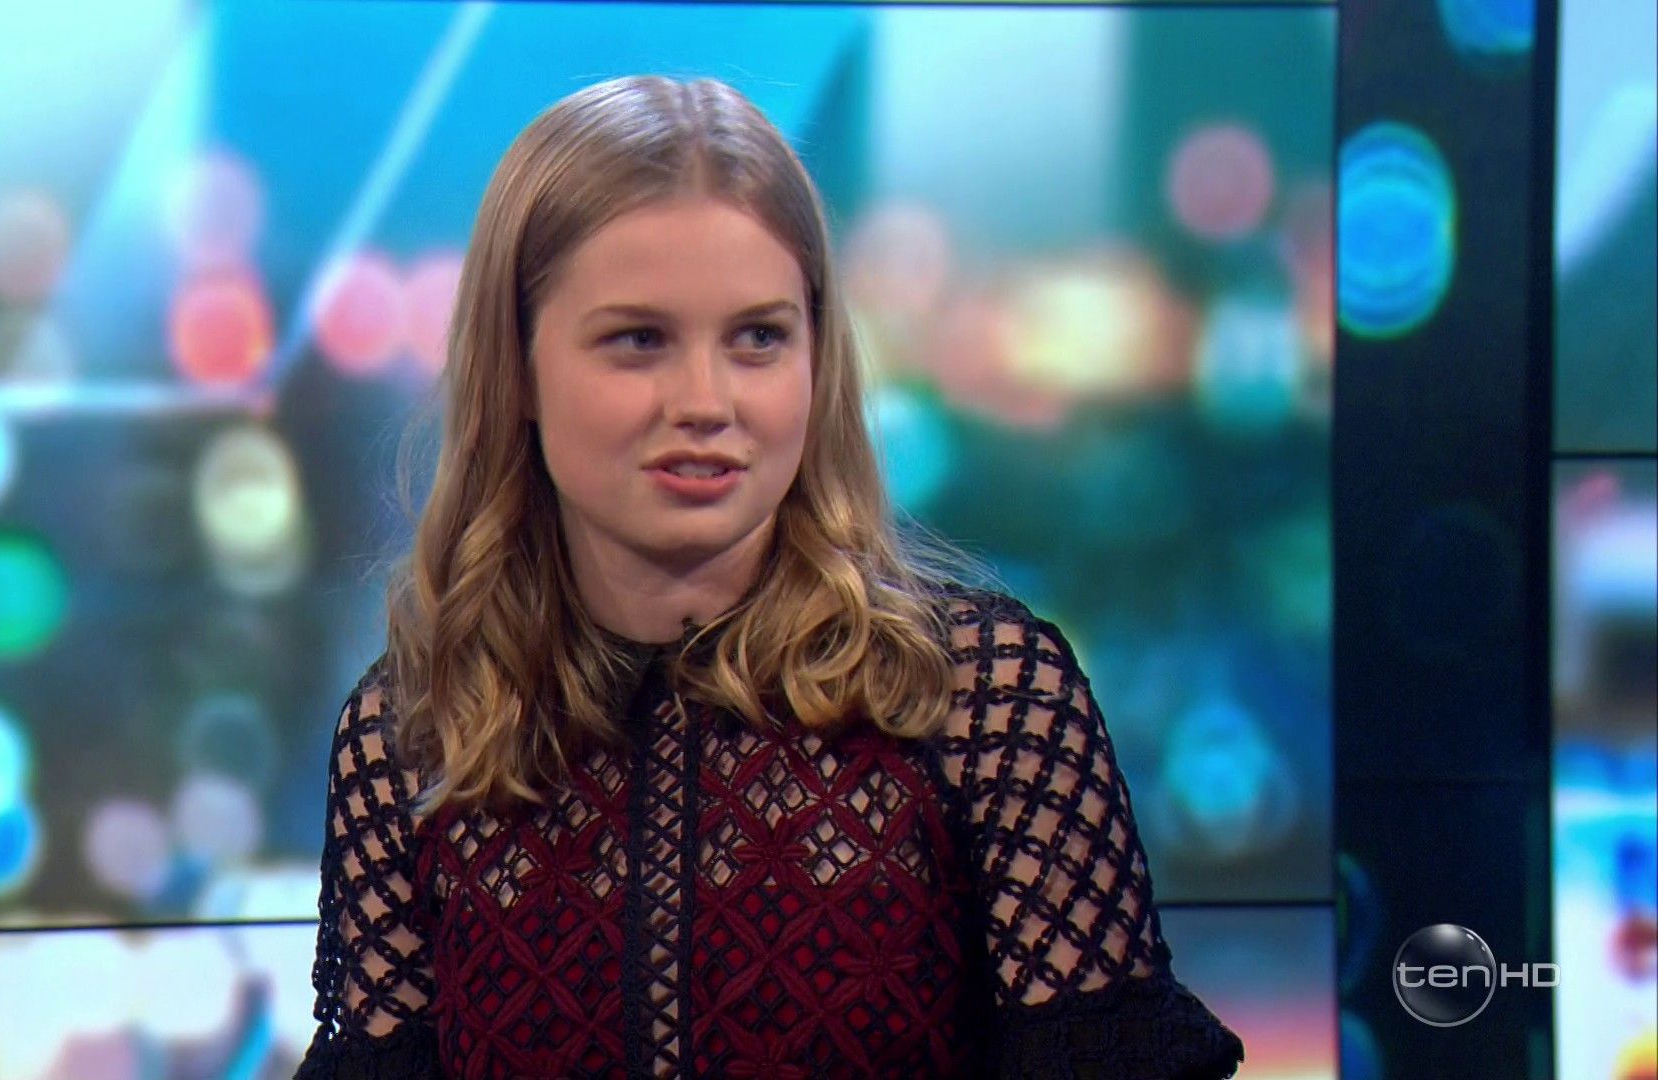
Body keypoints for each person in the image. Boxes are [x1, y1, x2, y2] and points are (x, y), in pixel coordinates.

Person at [295, 74, 1245, 1079]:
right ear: (517, 366)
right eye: (639, 341)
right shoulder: (415, 740)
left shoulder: (982, 708)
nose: (706, 402)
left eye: (759, 338)